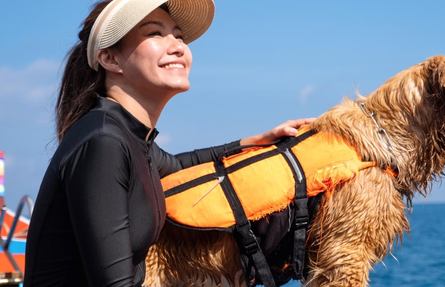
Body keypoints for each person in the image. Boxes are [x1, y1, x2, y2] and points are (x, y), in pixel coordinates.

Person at [24, 0, 314, 286]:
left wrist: (254, 141)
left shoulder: (131, 138)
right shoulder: (104, 142)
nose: (177, 46)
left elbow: (178, 165)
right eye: (154, 33)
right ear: (110, 59)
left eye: (178, 35)